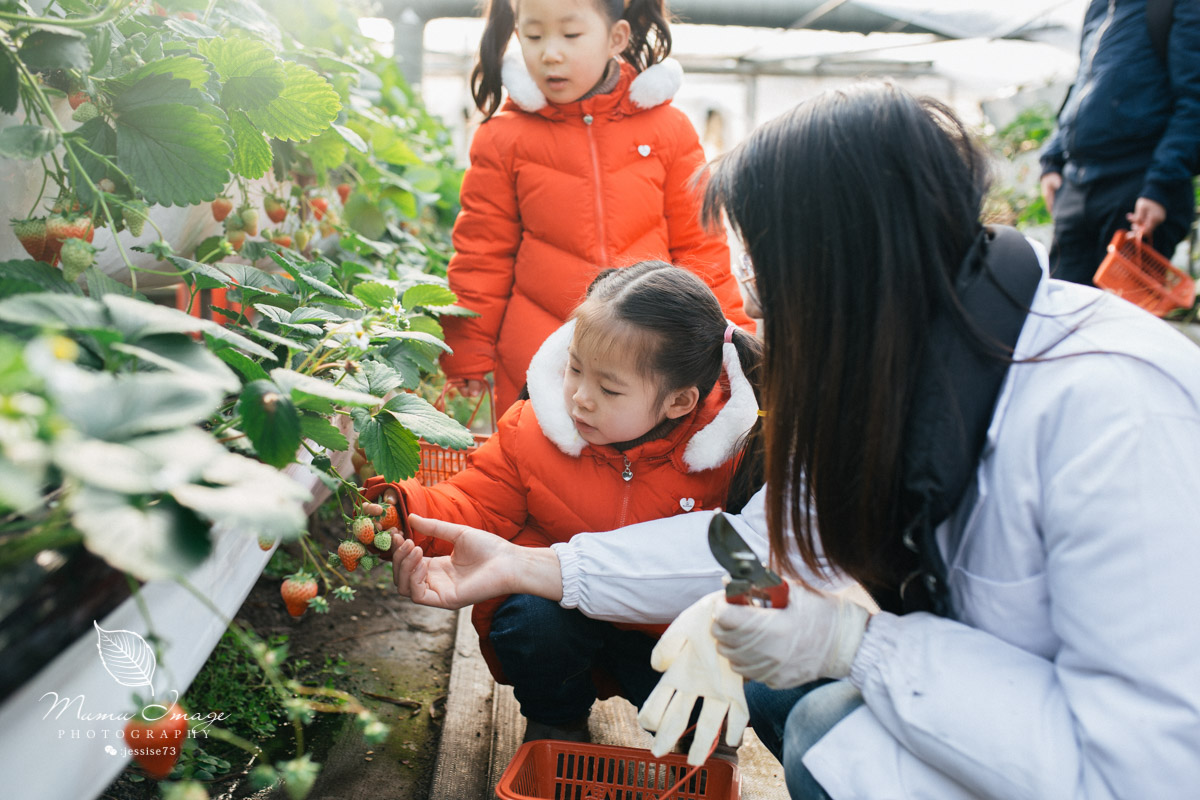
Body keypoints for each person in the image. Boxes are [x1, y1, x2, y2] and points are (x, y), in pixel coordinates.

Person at [392, 82, 1200, 798]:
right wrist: (524, 564)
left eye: (768, 295)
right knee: (810, 713)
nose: (758, 328)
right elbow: (761, 544)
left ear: (848, 273)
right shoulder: (905, 364)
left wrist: (864, 646)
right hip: (1004, 719)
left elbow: (1148, 766)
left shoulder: (1114, 410)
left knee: (821, 721)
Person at [367, 261, 762, 743]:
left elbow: (752, 567)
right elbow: (475, 502)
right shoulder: (533, 431)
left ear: (679, 402)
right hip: (560, 613)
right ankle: (557, 720)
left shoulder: (731, 455)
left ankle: (702, 734)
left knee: (713, 688)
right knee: (529, 620)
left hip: (666, 634)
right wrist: (402, 513)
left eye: (609, 388)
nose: (580, 398)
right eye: (575, 369)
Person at [440, 0, 750, 412]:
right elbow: (482, 257)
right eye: (532, 36)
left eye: (570, 35)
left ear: (615, 38)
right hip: (540, 361)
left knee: (647, 470)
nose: (550, 52)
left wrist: (734, 346)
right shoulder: (502, 138)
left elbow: (702, 248)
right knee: (539, 467)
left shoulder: (669, 130)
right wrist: (467, 359)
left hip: (649, 360)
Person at [1039, 0, 1200, 285]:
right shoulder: (1100, 7)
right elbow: (1084, 83)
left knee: (1118, 316)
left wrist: (1160, 188)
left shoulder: (1177, 5)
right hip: (1078, 186)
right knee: (1060, 309)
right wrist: (1052, 158)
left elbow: (1194, 100)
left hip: (1136, 187)